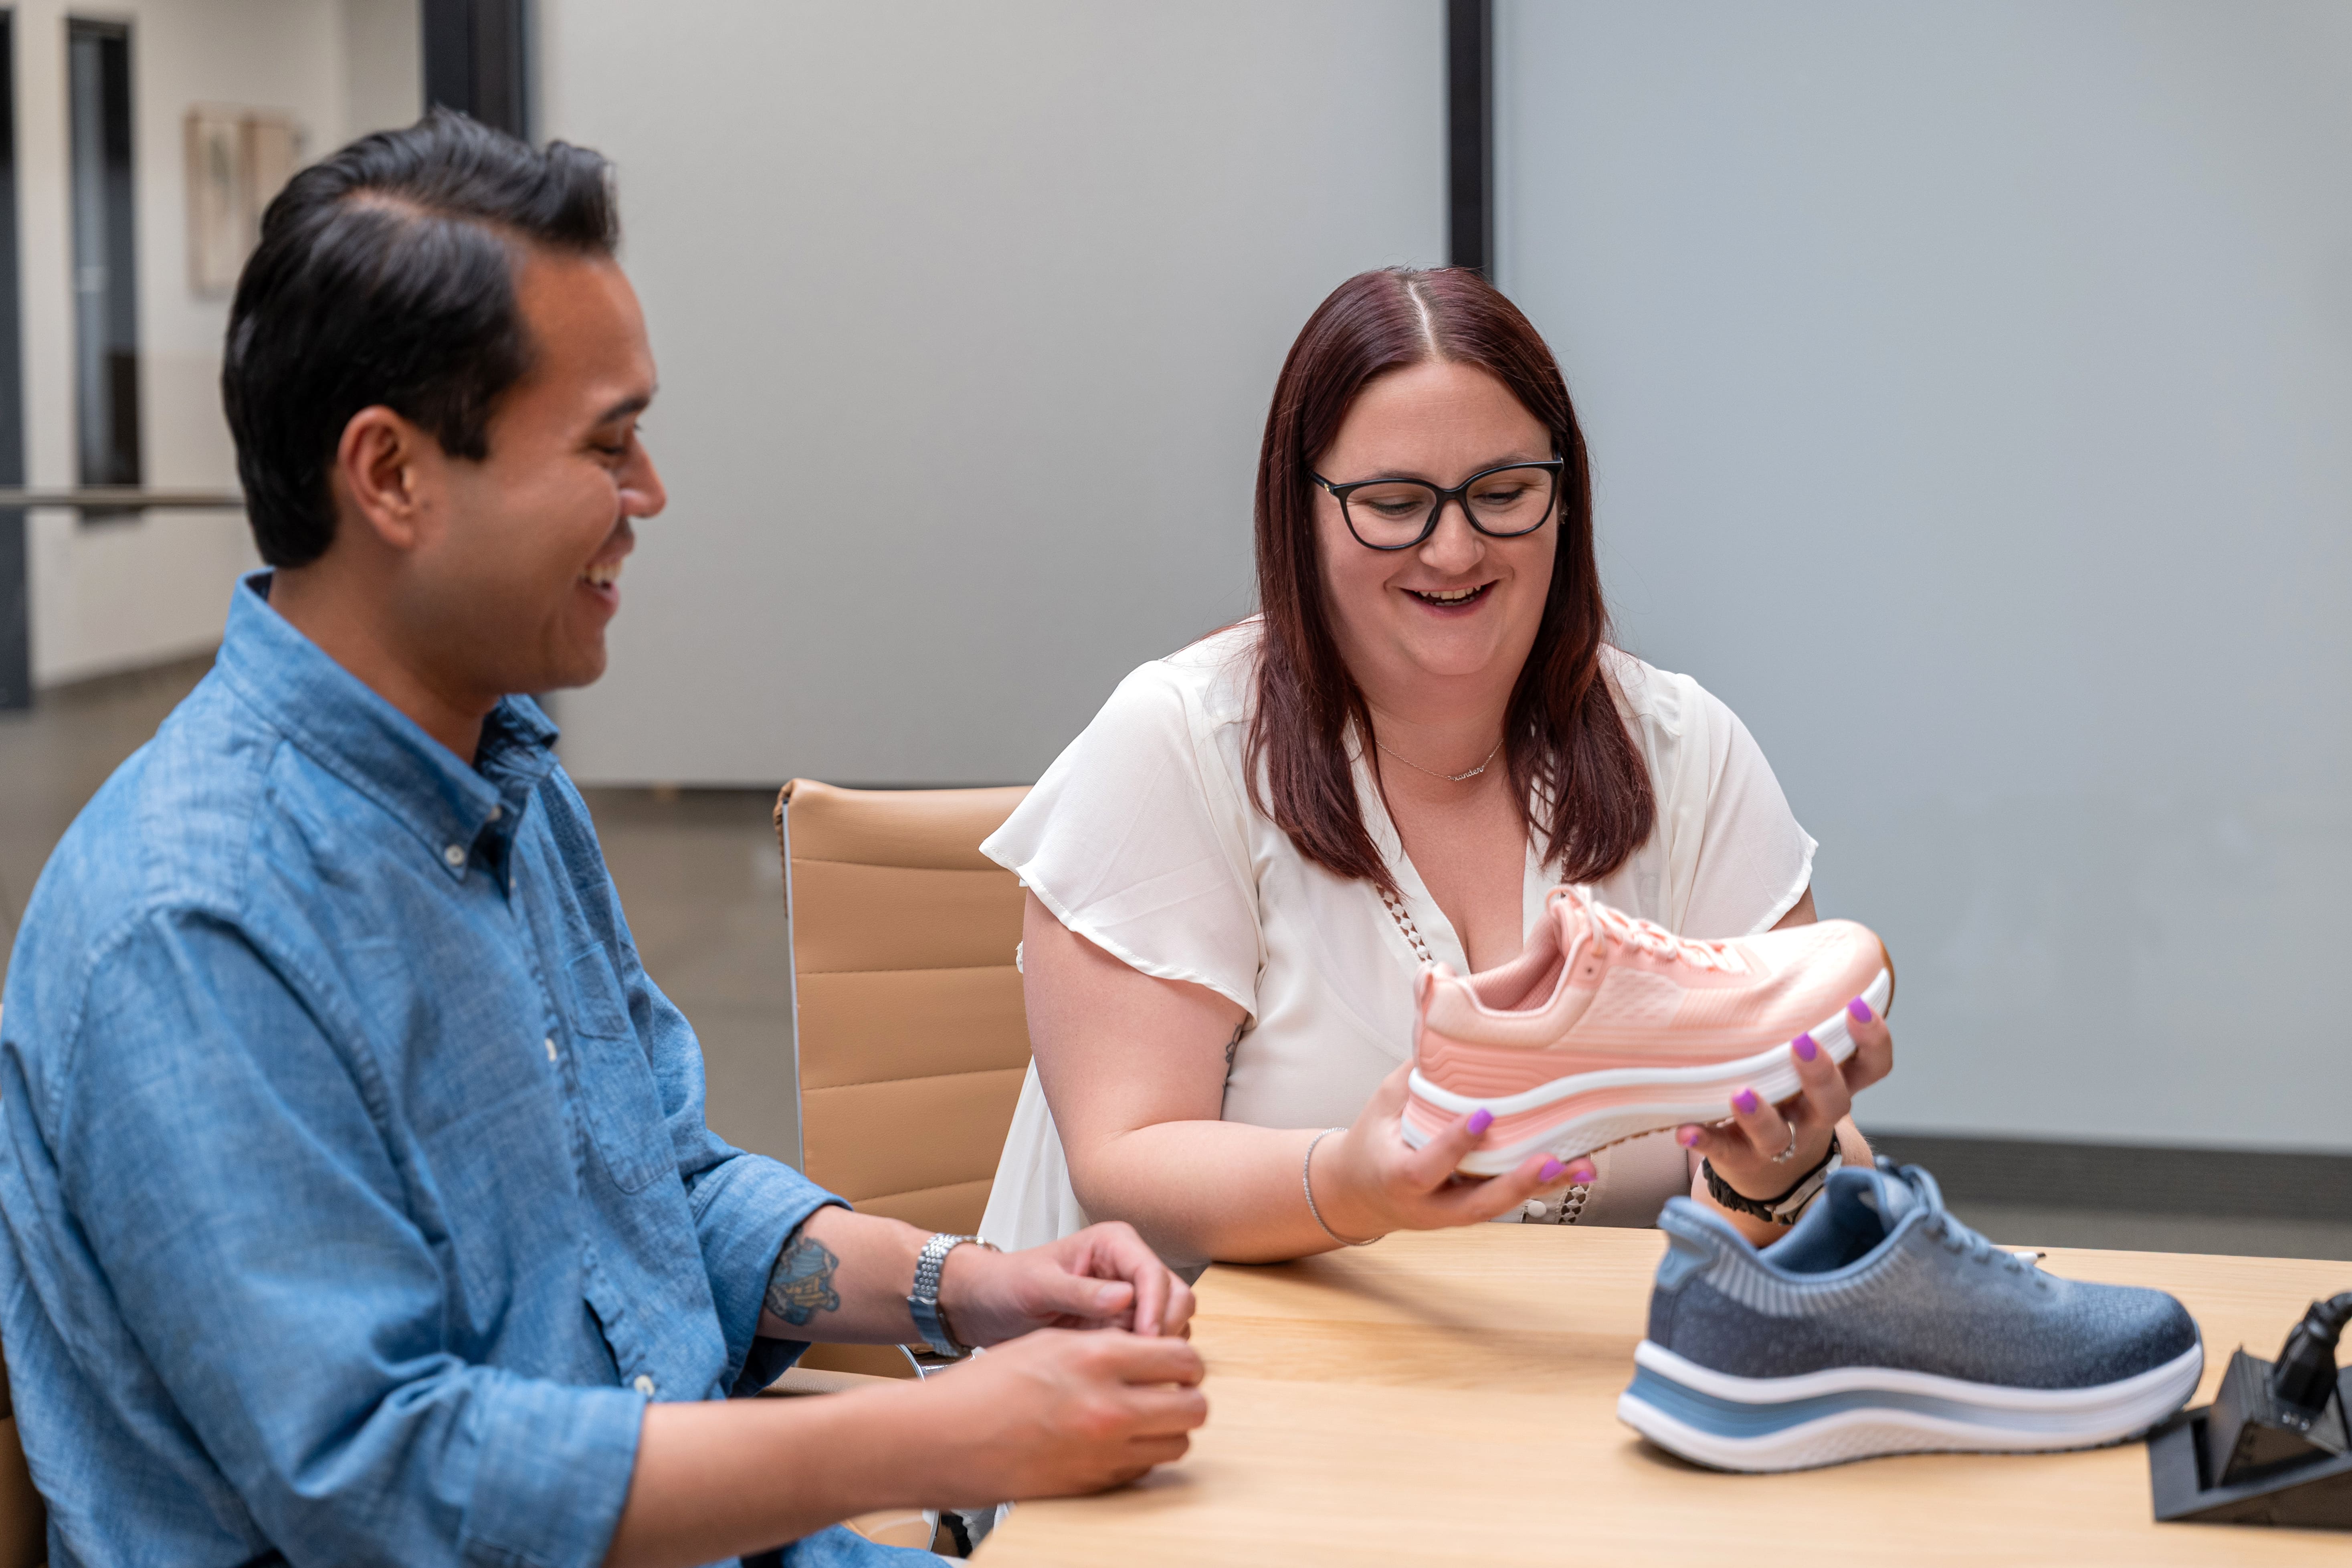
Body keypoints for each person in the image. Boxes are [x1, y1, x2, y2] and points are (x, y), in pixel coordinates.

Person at [0, 112, 1204, 1568]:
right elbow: (381, 1480)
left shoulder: (495, 777)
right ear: (390, 477)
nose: (651, 498)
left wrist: (973, 1290)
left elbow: (658, 1196)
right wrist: (932, 1435)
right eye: (608, 444)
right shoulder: (193, 924)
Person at [982, 267, 1896, 1268]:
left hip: (1552, 1389)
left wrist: (1773, 1167)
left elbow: (1799, 1163)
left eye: (1503, 494)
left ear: (1564, 499)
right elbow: (1126, 1160)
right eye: (1393, 503)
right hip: (1187, 1380)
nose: (1454, 548)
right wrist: (1352, 1184)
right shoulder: (1177, 742)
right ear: (1304, 510)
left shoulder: (1684, 747)